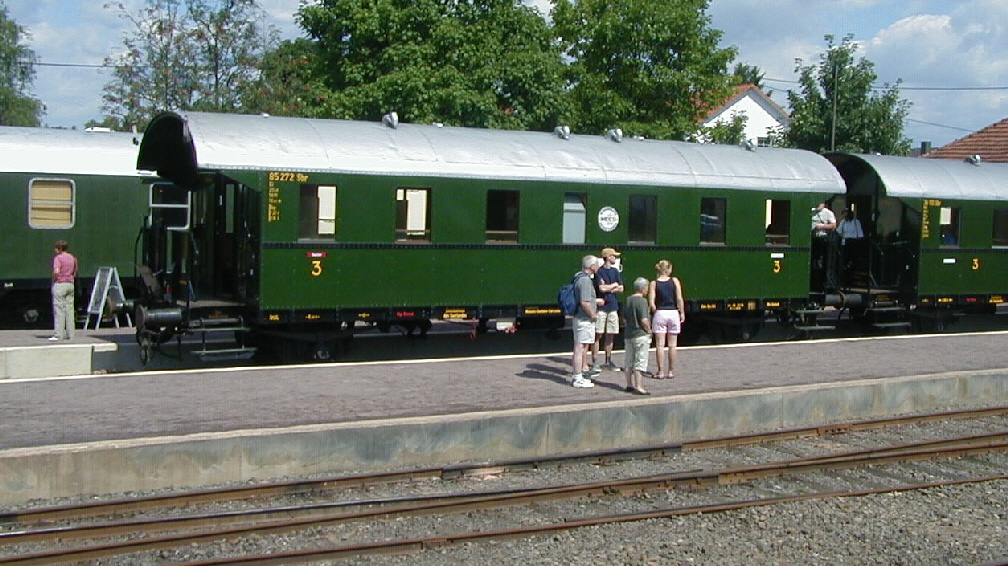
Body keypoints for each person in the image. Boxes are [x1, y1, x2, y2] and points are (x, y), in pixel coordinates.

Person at [648, 259, 685, 380]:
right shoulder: (675, 281)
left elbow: (651, 303)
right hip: (673, 312)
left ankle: (660, 371)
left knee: (659, 345)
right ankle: (671, 371)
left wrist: (655, 312)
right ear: (668, 269)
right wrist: (682, 312)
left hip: (661, 313)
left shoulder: (654, 283)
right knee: (672, 345)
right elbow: (679, 299)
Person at [571, 254, 601, 388]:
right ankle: (577, 377)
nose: (598, 266)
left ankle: (579, 375)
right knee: (580, 348)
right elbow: (584, 302)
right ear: (592, 266)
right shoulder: (586, 281)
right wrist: (593, 315)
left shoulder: (578, 277)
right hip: (584, 318)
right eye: (597, 264)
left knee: (580, 347)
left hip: (580, 317)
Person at [592, 247, 625, 372]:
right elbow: (601, 289)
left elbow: (621, 288)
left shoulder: (615, 271)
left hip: (613, 306)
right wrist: (613, 286)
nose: (615, 258)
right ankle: (595, 361)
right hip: (601, 307)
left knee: (611, 334)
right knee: (598, 334)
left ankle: (608, 360)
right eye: (613, 256)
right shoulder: (599, 272)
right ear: (608, 257)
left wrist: (610, 287)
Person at [622, 277, 652, 395]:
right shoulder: (642, 301)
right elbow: (644, 320)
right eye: (647, 288)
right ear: (643, 288)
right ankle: (639, 386)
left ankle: (629, 384)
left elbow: (623, 318)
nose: (647, 290)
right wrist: (649, 330)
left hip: (628, 334)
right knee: (640, 360)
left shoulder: (628, 300)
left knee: (629, 360)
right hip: (640, 334)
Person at [50, 240, 78, 341]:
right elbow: (75, 272)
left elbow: (56, 272)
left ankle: (58, 334)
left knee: (59, 310)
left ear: (60, 249)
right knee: (70, 310)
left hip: (60, 284)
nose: (55, 250)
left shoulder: (58, 258)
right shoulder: (72, 258)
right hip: (70, 284)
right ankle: (71, 335)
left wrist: (54, 279)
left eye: (56, 248)